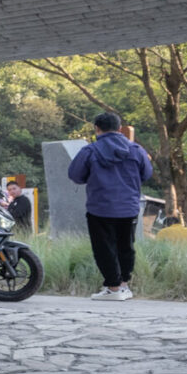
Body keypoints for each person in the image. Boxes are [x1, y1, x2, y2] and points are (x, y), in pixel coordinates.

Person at [68, 111, 152, 302]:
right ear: (119, 128)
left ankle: (113, 287)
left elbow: (75, 175)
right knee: (126, 246)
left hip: (100, 207)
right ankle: (123, 286)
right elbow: (146, 173)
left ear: (97, 129)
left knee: (104, 247)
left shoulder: (90, 151)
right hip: (129, 207)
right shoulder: (136, 150)